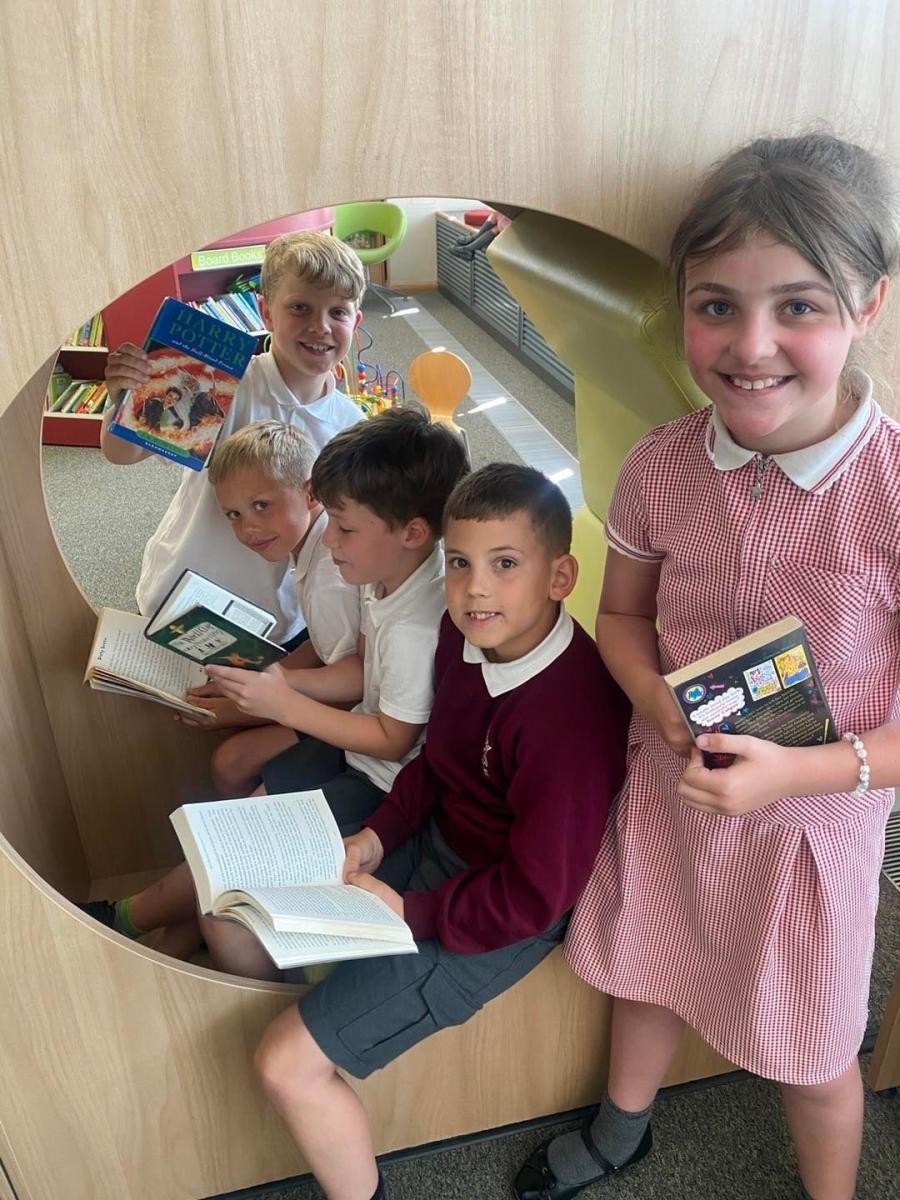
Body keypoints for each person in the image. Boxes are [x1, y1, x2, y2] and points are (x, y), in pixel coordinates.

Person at [514, 132, 900, 1200]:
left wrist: (799, 774)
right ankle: (621, 1128)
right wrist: (652, 698)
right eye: (717, 305)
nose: (751, 344)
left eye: (799, 305)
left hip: (814, 826)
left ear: (869, 304)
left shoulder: (891, 490)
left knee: (816, 1047)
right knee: (648, 967)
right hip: (673, 785)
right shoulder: (660, 463)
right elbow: (623, 614)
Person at [207, 463, 630, 1200]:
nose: (475, 590)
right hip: (430, 846)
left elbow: (534, 896)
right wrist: (376, 836)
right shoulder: (463, 636)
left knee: (284, 1064)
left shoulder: (570, 717)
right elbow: (437, 761)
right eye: (459, 563)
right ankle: (335, 1023)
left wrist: (412, 912)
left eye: (505, 564)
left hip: (494, 914)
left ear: (560, 577)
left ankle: (322, 1063)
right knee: (233, 919)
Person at [89, 407, 468, 958]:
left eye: (344, 527)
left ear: (412, 532)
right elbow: (360, 664)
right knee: (232, 823)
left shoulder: (409, 620)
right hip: (361, 754)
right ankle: (153, 924)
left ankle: (124, 920)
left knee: (230, 854)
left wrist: (281, 701)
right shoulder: (381, 573)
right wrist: (273, 686)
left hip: (382, 781)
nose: (329, 538)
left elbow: (393, 739)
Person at [101, 231, 367, 643]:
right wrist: (124, 398)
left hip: (276, 621)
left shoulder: (352, 428)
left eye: (338, 312)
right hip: (181, 593)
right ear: (266, 313)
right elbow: (122, 453)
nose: (320, 326)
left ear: (356, 322)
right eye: (300, 307)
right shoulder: (221, 383)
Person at [183, 419, 363, 795]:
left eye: (262, 505)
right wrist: (257, 680)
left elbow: (354, 686)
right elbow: (325, 644)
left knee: (232, 763)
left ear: (310, 494)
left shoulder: (330, 574)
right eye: (234, 514)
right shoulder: (311, 543)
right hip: (345, 689)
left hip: (361, 711)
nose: (248, 528)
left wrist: (242, 707)